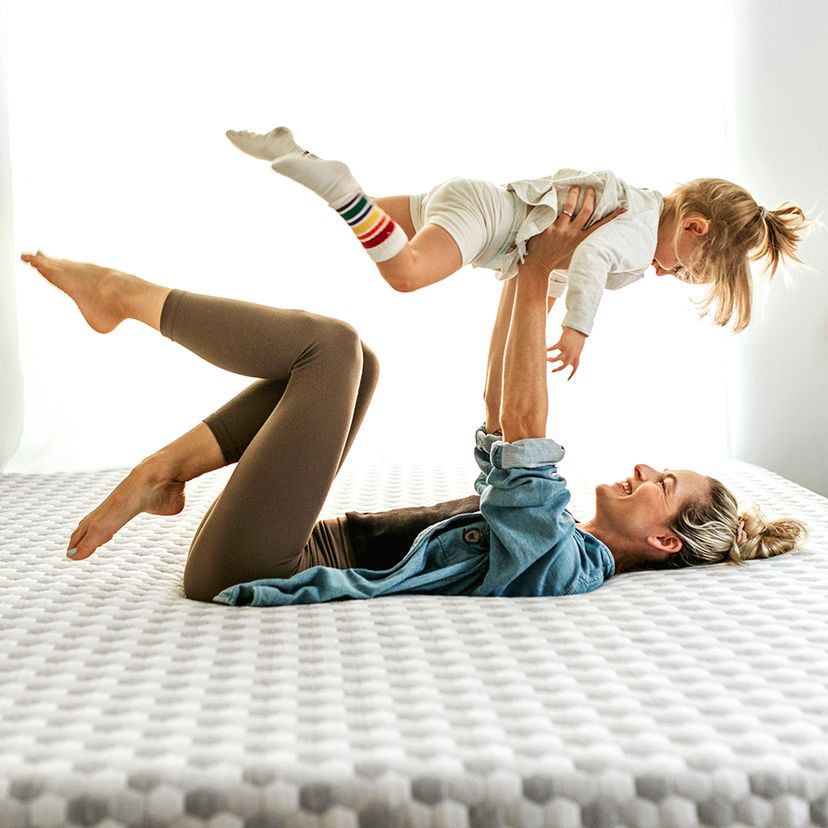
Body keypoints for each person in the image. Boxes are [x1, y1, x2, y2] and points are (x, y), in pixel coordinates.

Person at [20, 194, 806, 606]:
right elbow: (502, 409)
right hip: (281, 548)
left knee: (325, 348)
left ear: (666, 544)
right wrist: (520, 274)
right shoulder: (556, 530)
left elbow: (526, 429)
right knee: (359, 363)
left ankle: (123, 295)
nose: (645, 467)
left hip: (258, 568)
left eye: (663, 485)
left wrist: (538, 272)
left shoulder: (562, 563)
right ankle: (167, 471)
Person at [226, 125, 811, 377]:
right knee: (405, 273)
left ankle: (298, 154)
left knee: (367, 213)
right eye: (681, 268)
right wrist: (577, 329)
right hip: (487, 221)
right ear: (694, 227)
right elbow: (586, 262)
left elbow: (556, 269)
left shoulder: (635, 210)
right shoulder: (634, 230)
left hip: (480, 204)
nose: (664, 274)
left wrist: (546, 304)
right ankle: (336, 182)